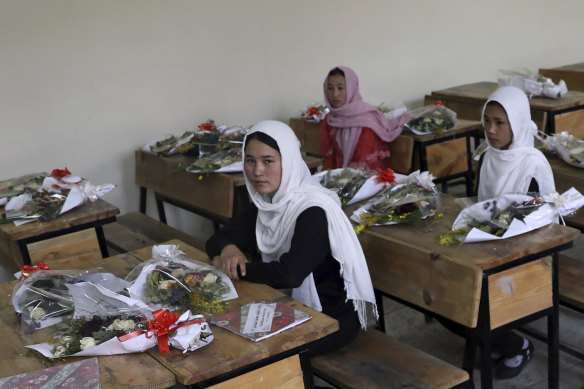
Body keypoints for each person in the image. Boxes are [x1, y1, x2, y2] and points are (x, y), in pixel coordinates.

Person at [206, 120, 378, 386]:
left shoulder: (312, 210)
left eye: (268, 161)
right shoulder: (268, 204)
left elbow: (290, 274)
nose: (257, 171)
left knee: (251, 358)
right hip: (290, 307)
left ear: (288, 161)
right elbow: (219, 238)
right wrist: (229, 249)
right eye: (250, 161)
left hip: (330, 318)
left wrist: (235, 267)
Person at [456, 85, 555, 380]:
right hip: (490, 249)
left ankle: (517, 344)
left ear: (519, 123)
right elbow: (483, 207)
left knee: (472, 302)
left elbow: (537, 229)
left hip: (526, 262)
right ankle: (496, 338)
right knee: (445, 293)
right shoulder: (491, 155)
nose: (491, 129)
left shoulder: (532, 164)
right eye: (487, 121)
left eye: (500, 122)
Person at [318, 66, 408, 170]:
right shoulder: (331, 119)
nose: (334, 94)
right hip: (340, 175)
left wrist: (340, 181)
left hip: (366, 176)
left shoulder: (366, 120)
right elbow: (330, 158)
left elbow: (361, 163)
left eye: (340, 88)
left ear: (352, 88)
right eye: (330, 88)